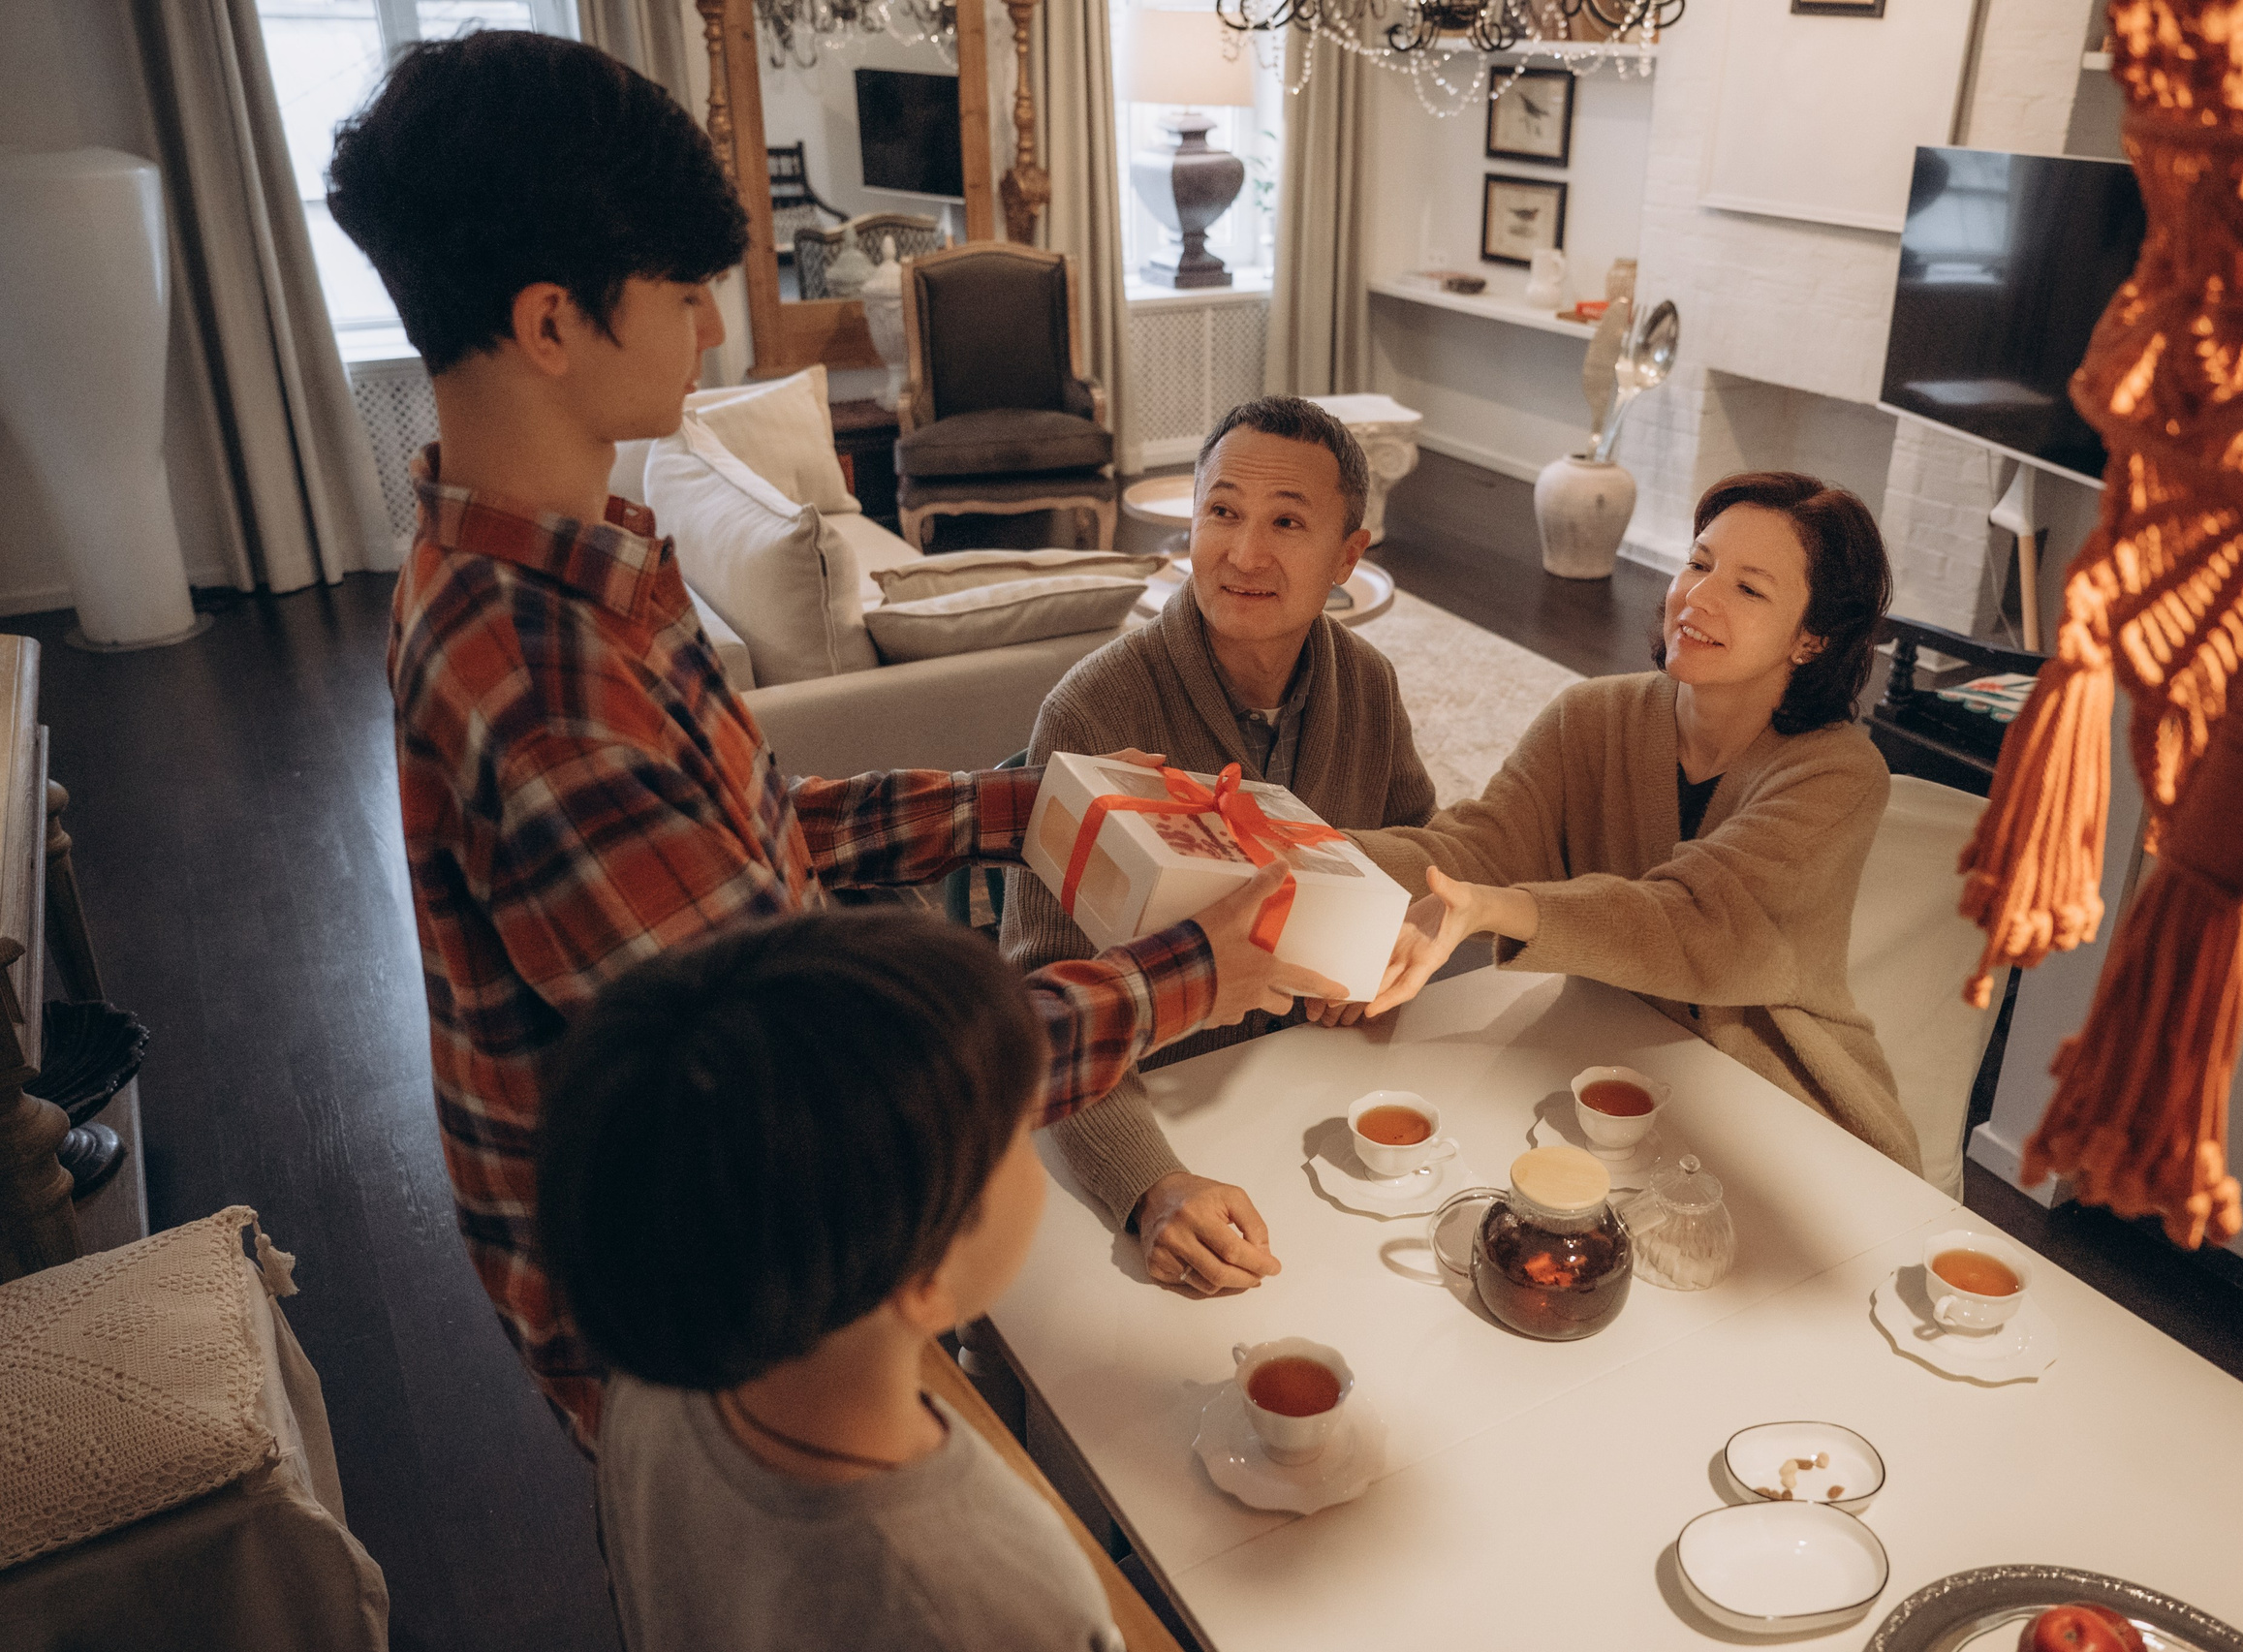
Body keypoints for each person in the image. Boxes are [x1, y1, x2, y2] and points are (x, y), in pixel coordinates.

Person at [328, 32, 1337, 1446]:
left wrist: (1018, 804)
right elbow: (833, 1104)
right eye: (683, 294)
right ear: (551, 325)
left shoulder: (565, 567)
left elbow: (750, 828)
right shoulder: (543, 685)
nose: (710, 331)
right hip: (712, 1319)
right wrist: (1193, 972)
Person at [539, 911, 1119, 1652]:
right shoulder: (1004, 1601)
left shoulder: (655, 1387)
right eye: (1023, 1136)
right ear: (925, 1278)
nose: (1036, 1158)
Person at [1352, 471, 1921, 1174]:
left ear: (1812, 639)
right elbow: (1473, 847)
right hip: (1608, 1066)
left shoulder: (1838, 773)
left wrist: (1501, 909)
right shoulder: (1591, 716)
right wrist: (1300, 850)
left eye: (1749, 588)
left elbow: (1693, 921)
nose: (1699, 597)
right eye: (1699, 563)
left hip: (1779, 1108)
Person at [1001, 397, 1435, 1295]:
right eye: (1221, 512)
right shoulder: (1093, 712)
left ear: (1349, 556)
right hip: (1158, 1112)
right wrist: (1148, 1186)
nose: (1243, 553)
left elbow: (1419, 851)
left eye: (1286, 522)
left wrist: (1381, 947)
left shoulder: (1367, 683)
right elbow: (1037, 997)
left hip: (1318, 1086)